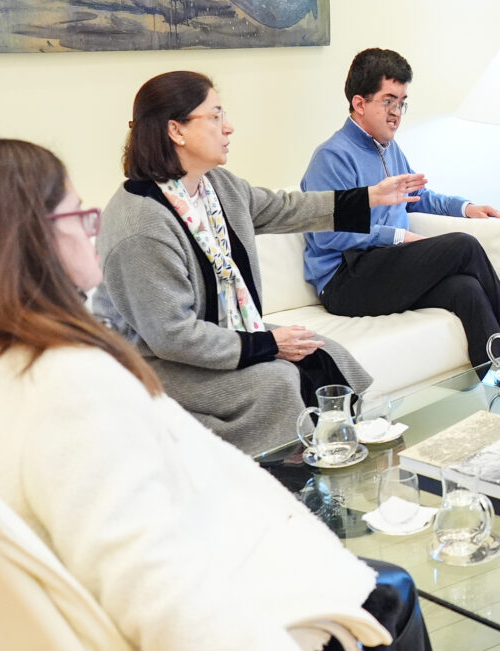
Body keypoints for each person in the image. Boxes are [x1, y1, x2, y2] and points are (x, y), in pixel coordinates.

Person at [0, 137, 471, 651]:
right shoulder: (62, 383)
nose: (93, 230)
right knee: (389, 595)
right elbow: (149, 580)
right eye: (77, 215)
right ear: (30, 241)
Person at [93, 70, 423, 457]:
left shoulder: (217, 186)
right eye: (215, 116)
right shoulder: (141, 226)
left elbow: (285, 208)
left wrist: (369, 197)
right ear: (175, 130)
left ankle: (348, 455)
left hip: (219, 333)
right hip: (153, 363)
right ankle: (290, 476)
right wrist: (266, 344)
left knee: (321, 350)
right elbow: (173, 336)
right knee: (276, 380)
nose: (228, 127)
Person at [301, 48, 500, 375]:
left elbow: (417, 196)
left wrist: (465, 208)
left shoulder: (389, 149)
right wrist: (399, 236)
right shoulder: (332, 158)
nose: (396, 114)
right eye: (388, 102)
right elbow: (331, 235)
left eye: (402, 103)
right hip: (344, 282)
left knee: (467, 290)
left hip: (386, 268)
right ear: (359, 103)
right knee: (463, 245)